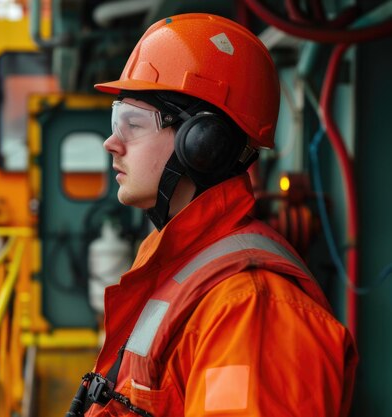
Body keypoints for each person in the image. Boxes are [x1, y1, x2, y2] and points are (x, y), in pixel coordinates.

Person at [67, 13, 358, 417]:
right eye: (117, 120)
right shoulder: (183, 265)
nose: (111, 143)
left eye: (132, 124)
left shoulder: (251, 311)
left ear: (204, 143)